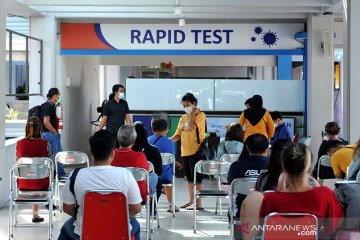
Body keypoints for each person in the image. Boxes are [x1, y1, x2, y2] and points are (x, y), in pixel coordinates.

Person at [240, 143, 344, 240]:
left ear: (284, 168)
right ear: (310, 168)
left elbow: (266, 230)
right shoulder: (325, 195)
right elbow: (333, 230)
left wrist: (278, 193)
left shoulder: (270, 199)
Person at [58, 130, 142, 240]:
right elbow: (136, 208)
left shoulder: (76, 175)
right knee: (135, 225)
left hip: (84, 233)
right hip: (119, 232)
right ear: (113, 153)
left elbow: (67, 208)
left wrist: (81, 214)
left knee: (67, 228)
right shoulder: (126, 175)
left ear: (91, 151)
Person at [170, 92, 206, 210]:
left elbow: (191, 127)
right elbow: (177, 135)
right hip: (184, 152)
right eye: (184, 105)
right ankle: (191, 201)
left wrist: (194, 113)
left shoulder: (200, 116)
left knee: (198, 178)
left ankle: (199, 203)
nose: (186, 107)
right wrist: (165, 141)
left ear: (194, 104)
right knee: (189, 178)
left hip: (196, 150)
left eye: (188, 105)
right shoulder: (183, 118)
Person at [16, 116, 52, 223]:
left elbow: (18, 165)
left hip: (23, 184)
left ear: (26, 128)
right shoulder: (45, 144)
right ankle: (38, 212)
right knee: (37, 175)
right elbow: (50, 164)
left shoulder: (19, 144)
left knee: (31, 175)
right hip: (42, 183)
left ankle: (35, 214)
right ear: (40, 129)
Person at [111, 125, 157, 203]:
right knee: (154, 176)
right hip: (139, 195)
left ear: (118, 139)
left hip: (116, 194)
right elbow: (146, 171)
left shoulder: (111, 155)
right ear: (133, 141)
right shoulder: (140, 156)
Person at [227, 133, 269, 217]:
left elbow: (231, 183)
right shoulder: (273, 166)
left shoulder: (236, 166)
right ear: (267, 149)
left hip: (240, 212)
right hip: (267, 213)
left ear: (247, 147)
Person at [148, 118, 181, 213]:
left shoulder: (147, 141)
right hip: (165, 176)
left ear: (153, 129)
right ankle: (171, 205)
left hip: (149, 175)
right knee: (168, 172)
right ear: (166, 130)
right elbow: (171, 161)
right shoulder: (169, 143)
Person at [132, 121, 162, 202]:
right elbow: (159, 172)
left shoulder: (128, 151)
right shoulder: (153, 150)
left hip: (128, 188)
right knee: (157, 179)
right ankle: (152, 209)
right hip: (145, 189)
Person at [40, 88, 66, 177]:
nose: (58, 98)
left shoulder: (49, 105)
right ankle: (58, 174)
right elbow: (46, 122)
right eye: (57, 96)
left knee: (59, 154)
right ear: (54, 95)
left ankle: (61, 173)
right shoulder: (48, 106)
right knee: (56, 155)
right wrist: (55, 132)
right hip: (50, 134)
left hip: (51, 134)